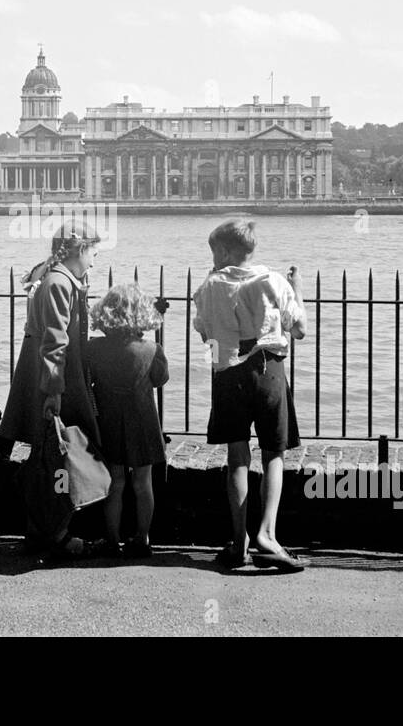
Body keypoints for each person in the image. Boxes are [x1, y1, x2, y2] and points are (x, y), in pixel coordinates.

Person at [192, 219, 307, 572]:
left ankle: (239, 541)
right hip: (268, 368)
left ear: (225, 251)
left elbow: (203, 333)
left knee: (237, 456)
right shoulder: (273, 281)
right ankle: (267, 536)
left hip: (228, 374)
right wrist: (296, 288)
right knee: (273, 454)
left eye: (214, 252)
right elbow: (300, 329)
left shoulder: (208, 286)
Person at [0, 219, 102, 558]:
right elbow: (54, 342)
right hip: (54, 380)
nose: (95, 260)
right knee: (56, 461)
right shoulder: (60, 283)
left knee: (48, 458)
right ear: (80, 249)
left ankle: (42, 529)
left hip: (47, 375)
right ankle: (53, 535)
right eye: (93, 253)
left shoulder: (56, 277)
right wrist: (54, 391)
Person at [85, 283, 169, 559]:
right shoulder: (151, 349)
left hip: (108, 421)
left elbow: (88, 380)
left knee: (115, 482)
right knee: (144, 482)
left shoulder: (94, 348)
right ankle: (142, 538)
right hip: (143, 422)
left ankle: (111, 540)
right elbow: (160, 379)